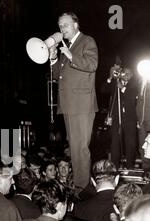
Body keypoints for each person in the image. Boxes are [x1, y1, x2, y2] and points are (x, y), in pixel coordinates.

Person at [50, 12, 98, 189]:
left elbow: (92, 64)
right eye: (60, 26)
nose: (62, 29)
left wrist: (70, 56)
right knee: (74, 148)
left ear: (76, 25)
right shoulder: (68, 46)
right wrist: (54, 57)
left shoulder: (87, 41)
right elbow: (57, 76)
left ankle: (81, 189)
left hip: (81, 104)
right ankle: (80, 186)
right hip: (70, 105)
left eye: (65, 25)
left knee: (80, 149)